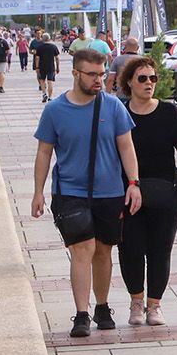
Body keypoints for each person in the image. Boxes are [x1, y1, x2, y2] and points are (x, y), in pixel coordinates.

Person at [31, 48, 142, 337]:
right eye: (92, 74)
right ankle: (81, 313)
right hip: (70, 191)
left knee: (103, 250)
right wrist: (38, 192)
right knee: (83, 248)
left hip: (110, 191)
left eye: (102, 74)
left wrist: (134, 183)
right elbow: (44, 152)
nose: (98, 80)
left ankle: (102, 306)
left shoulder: (113, 107)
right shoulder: (55, 110)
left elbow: (126, 147)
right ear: (76, 74)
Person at [115, 55, 177, 326]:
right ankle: (136, 301)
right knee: (130, 248)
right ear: (129, 83)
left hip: (165, 191)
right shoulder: (120, 112)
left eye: (153, 78)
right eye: (142, 78)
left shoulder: (168, 113)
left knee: (160, 249)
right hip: (128, 192)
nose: (149, 83)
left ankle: (154, 305)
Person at [32, 30, 61, 103]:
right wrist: (57, 67)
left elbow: (37, 58)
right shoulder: (53, 47)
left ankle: (44, 94)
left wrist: (37, 67)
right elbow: (57, 58)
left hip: (42, 67)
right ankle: (50, 97)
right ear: (49, 38)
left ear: (42, 38)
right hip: (51, 67)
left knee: (42, 80)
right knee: (50, 81)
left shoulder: (39, 47)